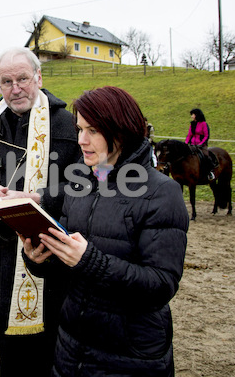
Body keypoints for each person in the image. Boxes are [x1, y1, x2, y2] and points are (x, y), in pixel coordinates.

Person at [23, 86, 189, 376]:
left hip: (130, 355)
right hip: (70, 347)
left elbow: (161, 285)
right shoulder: (79, 183)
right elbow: (68, 265)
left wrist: (89, 260)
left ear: (121, 130)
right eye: (79, 129)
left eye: (93, 131)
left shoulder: (162, 193)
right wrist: (41, 259)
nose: (81, 140)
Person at [0, 47, 80, 376]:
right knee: (10, 358)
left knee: (52, 353)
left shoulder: (67, 125)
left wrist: (42, 198)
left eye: (23, 78)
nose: (15, 88)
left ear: (38, 77)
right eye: (6, 81)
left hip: (49, 258)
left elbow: (87, 186)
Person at [185, 108, 217, 180]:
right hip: (192, 145)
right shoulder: (192, 124)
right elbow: (189, 135)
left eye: (192, 115)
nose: (191, 116)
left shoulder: (204, 124)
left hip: (202, 145)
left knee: (206, 156)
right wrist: (186, 143)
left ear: (196, 115)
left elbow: (206, 136)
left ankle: (210, 172)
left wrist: (201, 144)